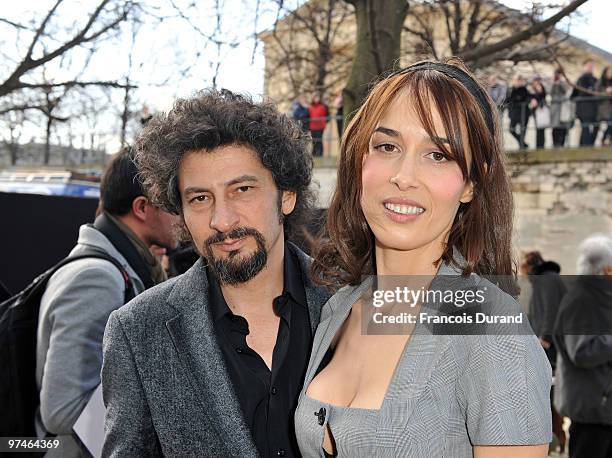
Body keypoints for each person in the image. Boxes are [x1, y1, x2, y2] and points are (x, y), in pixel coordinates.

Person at [295, 59, 552, 457]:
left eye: (438, 155)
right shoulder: (338, 309)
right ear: (360, 160)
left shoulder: (491, 333)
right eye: (387, 146)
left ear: (471, 182)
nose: (404, 175)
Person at [101, 90, 331, 457]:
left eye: (242, 190)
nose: (221, 220)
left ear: (286, 195)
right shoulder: (138, 330)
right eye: (200, 198)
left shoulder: (353, 304)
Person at [36, 147, 179, 457]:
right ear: (142, 208)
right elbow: (62, 411)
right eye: (171, 204)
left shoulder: (122, 269)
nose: (181, 216)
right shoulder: (98, 278)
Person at [554, 235, 612, 458]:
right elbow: (582, 352)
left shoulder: (601, 296)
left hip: (603, 409)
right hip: (592, 410)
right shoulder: (581, 300)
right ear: (606, 270)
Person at [521, 251, 567, 453]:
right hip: (544, 342)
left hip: (548, 345)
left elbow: (550, 310)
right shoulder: (545, 279)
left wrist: (545, 338)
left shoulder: (547, 280)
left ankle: (552, 438)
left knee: (547, 392)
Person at [571, 59, 599, 146]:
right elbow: (574, 94)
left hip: (593, 108)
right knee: (585, 127)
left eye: (592, 66)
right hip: (584, 108)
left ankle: (587, 143)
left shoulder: (595, 80)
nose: (590, 68)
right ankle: (586, 145)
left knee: (595, 126)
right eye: (589, 66)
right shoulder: (581, 79)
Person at [507, 74, 533, 149]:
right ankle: (522, 143)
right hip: (514, 114)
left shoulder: (524, 89)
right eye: (516, 80)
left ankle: (522, 146)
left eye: (519, 80)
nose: (517, 82)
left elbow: (528, 99)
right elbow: (508, 101)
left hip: (523, 113)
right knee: (511, 129)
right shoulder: (510, 89)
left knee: (523, 130)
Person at [550, 69, 571, 148]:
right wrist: (554, 83)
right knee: (555, 128)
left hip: (563, 108)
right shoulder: (552, 82)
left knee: (563, 128)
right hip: (555, 108)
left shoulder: (564, 82)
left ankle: (562, 144)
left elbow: (566, 90)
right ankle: (555, 144)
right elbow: (550, 92)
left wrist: (560, 82)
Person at [530, 76, 548, 149]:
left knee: (542, 129)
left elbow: (543, 96)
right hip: (536, 111)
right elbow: (531, 97)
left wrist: (540, 91)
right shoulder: (532, 89)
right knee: (538, 129)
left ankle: (541, 146)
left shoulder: (542, 88)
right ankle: (538, 146)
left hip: (542, 110)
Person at [596, 67, 612, 146]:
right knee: (610, 123)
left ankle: (607, 140)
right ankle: (604, 140)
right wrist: (606, 91)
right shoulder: (601, 82)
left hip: (610, 108)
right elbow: (597, 94)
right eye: (609, 72)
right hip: (604, 108)